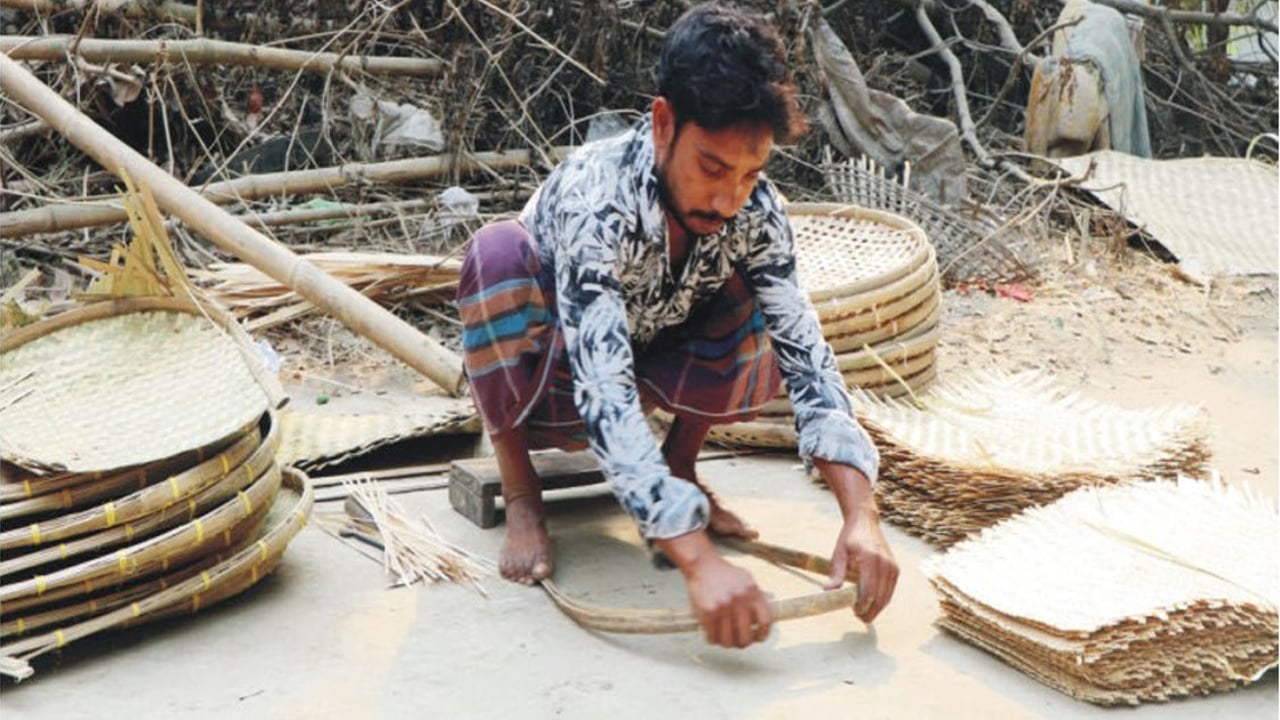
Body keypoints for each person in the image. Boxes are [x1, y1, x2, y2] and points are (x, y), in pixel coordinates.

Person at [456, 1, 897, 649]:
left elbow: (806, 355)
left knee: (763, 295)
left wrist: (862, 515)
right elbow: (604, 391)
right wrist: (698, 560)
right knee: (494, 255)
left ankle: (680, 463)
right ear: (664, 124)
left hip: (655, 352)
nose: (727, 198)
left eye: (750, 174)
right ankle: (522, 492)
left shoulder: (755, 210)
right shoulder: (594, 200)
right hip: (553, 368)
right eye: (712, 168)